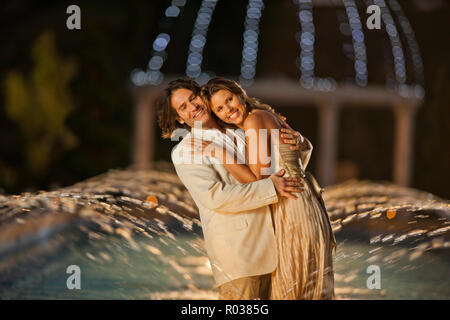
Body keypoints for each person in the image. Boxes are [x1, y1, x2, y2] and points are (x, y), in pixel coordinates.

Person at [156, 78, 307, 300]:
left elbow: (286, 167)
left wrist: (300, 141)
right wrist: (270, 188)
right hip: (239, 255)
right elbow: (215, 197)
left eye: (193, 98)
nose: (193, 107)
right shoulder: (185, 151)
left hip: (282, 245)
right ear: (180, 118)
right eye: (183, 107)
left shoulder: (241, 126)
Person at [200, 77, 337, 300]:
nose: (228, 109)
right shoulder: (260, 118)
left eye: (229, 99)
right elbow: (297, 161)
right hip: (299, 202)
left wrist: (220, 154)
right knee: (305, 287)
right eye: (220, 108)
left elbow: (257, 181)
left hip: (292, 209)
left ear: (240, 95)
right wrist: (304, 141)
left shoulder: (254, 121)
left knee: (293, 287)